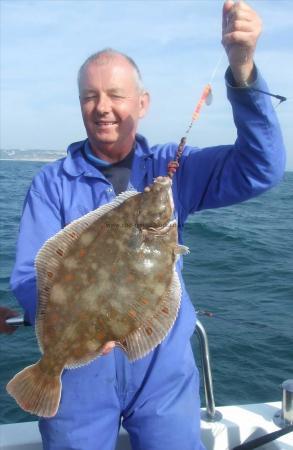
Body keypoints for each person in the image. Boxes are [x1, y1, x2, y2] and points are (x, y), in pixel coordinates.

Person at [10, 1, 285, 449]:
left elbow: (260, 168)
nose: (103, 108)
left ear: (142, 103)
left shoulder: (172, 170)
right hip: (80, 380)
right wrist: (69, 325)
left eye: (116, 95)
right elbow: (28, 276)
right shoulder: (51, 184)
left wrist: (242, 69)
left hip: (163, 372)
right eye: (90, 96)